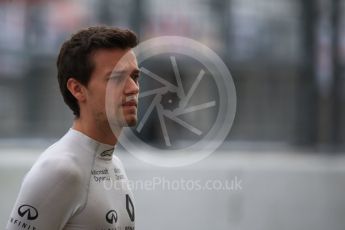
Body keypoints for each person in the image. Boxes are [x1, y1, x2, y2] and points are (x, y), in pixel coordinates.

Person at [6, 26, 140, 230]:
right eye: (116, 78)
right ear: (77, 89)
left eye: (135, 77)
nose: (133, 88)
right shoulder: (61, 170)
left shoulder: (114, 165)